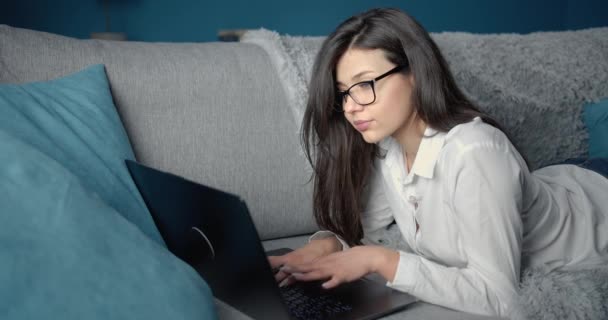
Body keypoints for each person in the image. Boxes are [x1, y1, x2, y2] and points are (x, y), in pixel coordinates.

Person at [268, 7, 608, 318]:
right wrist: (327, 245)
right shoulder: (388, 149)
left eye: (365, 84)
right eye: (344, 92)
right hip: (560, 178)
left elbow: (502, 299)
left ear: (415, 73)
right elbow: (367, 234)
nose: (351, 107)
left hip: (596, 199)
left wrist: (382, 261)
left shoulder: (476, 152)